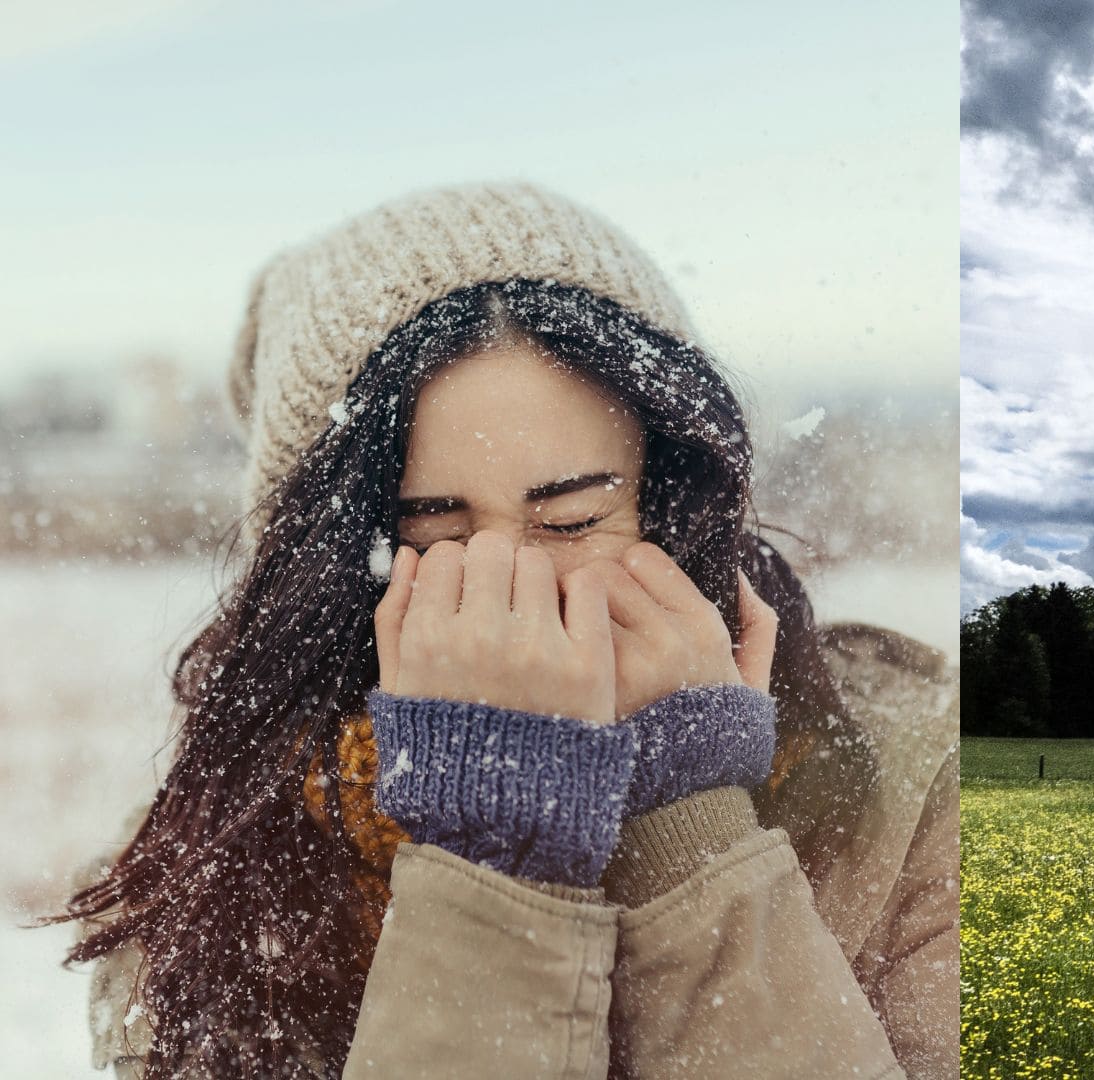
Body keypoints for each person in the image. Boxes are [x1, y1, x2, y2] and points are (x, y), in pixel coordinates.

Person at [48, 182, 958, 1078]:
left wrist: (685, 828)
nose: (512, 590)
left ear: (672, 504)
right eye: (438, 543)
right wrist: (497, 860)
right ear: (336, 576)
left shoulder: (923, 789)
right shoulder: (210, 887)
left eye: (568, 523)